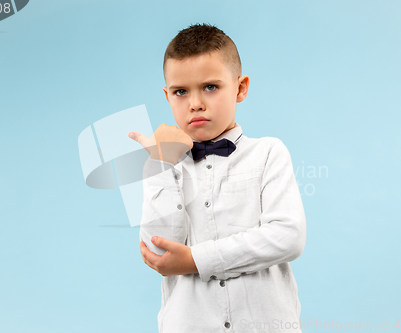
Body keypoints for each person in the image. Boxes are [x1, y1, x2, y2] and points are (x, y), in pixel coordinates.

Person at [128, 23, 306, 333]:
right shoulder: (160, 166)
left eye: (210, 86)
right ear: (167, 96)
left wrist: (196, 260)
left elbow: (287, 236)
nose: (195, 102)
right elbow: (157, 252)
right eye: (180, 91)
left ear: (240, 87)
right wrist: (160, 164)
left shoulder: (268, 153)